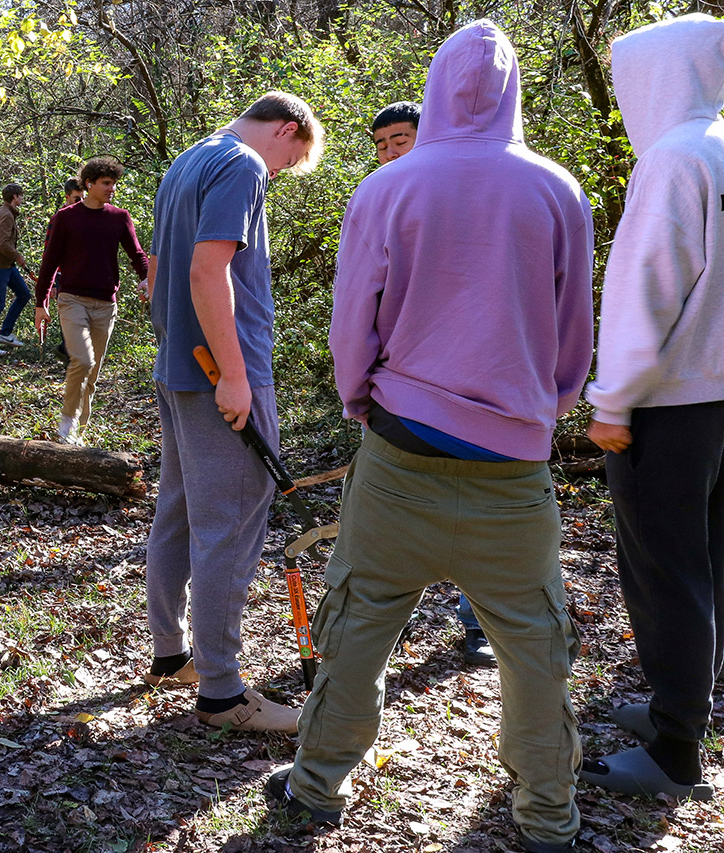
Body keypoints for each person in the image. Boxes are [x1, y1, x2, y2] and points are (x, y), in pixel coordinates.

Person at [267, 22, 594, 853]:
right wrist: (544, 406)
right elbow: (573, 332)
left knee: (359, 620)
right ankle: (548, 818)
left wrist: (355, 399)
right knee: (533, 643)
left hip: (400, 451)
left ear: (438, 85)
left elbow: (354, 324)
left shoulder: (390, 186)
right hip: (513, 471)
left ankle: (314, 789)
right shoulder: (557, 189)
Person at [144, 91, 324, 733]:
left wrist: (180, 350)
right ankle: (222, 693)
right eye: (289, 161)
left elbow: (155, 274)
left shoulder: (188, 161)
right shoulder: (243, 164)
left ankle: (171, 656)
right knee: (232, 523)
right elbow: (206, 270)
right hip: (221, 373)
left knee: (181, 509)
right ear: (285, 129)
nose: (276, 176)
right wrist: (236, 377)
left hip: (179, 368)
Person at [579, 13, 724, 804]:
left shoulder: (673, 159)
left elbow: (645, 292)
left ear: (663, 75)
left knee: (664, 568)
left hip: (671, 401)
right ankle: (683, 707)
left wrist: (613, 399)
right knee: (711, 562)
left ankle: (675, 753)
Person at [369, 99, 496, 669]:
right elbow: (360, 306)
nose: (389, 152)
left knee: (480, 520)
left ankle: (478, 626)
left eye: (400, 140)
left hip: (481, 391)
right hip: (401, 392)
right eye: (381, 144)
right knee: (396, 520)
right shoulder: (382, 198)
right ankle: (386, 622)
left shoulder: (486, 192)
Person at [34, 157, 149, 445]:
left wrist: (148, 278)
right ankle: (67, 424)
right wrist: (41, 303)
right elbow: (50, 263)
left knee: (92, 373)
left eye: (114, 183)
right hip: (72, 300)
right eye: (106, 183)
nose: (112, 188)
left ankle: (79, 433)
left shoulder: (119, 217)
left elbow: (137, 255)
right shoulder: (67, 218)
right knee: (82, 360)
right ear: (90, 184)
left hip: (106, 305)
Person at [0, 184, 35, 357]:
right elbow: (3, 244)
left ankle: (5, 333)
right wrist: (18, 256)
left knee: (24, 294)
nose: (22, 199)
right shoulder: (6, 215)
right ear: (14, 197)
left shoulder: (6, 212)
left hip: (6, 265)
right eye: (20, 196)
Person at [46, 178, 85, 363]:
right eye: (77, 199)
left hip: (83, 276)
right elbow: (49, 254)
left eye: (83, 198)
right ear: (67, 197)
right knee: (68, 320)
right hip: (64, 278)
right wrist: (52, 283)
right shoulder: (58, 219)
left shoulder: (86, 216)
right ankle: (70, 357)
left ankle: (70, 353)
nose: (81, 202)